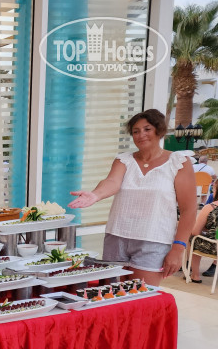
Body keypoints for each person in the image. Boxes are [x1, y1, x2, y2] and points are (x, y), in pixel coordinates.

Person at [68, 109, 197, 286]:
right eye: (136, 131)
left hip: (154, 240)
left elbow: (189, 210)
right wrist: (95, 195)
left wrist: (178, 247)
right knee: (111, 294)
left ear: (159, 131)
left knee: (142, 296)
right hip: (117, 237)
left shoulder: (178, 162)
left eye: (147, 129)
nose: (141, 135)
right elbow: (112, 182)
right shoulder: (124, 160)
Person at [189, 185, 218, 283]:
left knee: (193, 237)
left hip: (212, 247)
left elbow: (195, 231)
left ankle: (195, 275)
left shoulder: (210, 207)